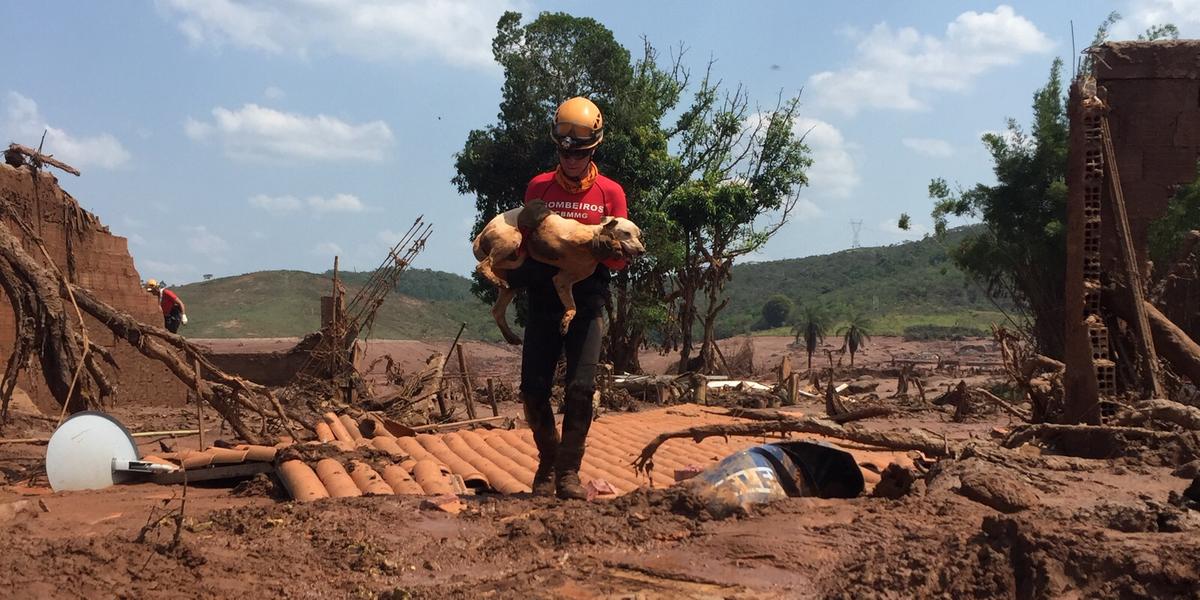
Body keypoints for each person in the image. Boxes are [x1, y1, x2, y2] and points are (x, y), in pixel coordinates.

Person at [508, 97, 629, 500]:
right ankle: (549, 462)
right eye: (565, 151)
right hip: (543, 297)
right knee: (533, 389)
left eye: (581, 152)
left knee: (581, 388)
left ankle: (568, 474)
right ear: (556, 147)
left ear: (594, 148)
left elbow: (618, 262)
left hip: (588, 297)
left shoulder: (611, 193)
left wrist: (602, 249)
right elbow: (524, 245)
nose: (572, 159)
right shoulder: (538, 187)